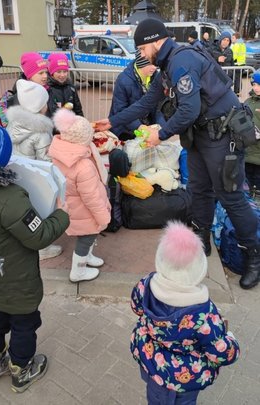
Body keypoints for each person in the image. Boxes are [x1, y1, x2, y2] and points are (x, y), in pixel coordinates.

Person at [95, 18, 260, 290]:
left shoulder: (182, 61)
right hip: (200, 136)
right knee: (199, 189)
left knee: (230, 196)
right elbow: (148, 101)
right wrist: (112, 122)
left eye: (142, 48)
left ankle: (253, 255)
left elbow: (188, 110)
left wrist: (160, 134)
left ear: (155, 42)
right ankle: (201, 239)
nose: (141, 55)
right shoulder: (167, 65)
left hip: (223, 136)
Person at [0, 115, 69, 393]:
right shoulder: (10, 199)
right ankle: (22, 369)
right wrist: (61, 216)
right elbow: (39, 236)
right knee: (24, 324)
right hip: (17, 280)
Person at [130, 221, 240, 405]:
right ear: (198, 270)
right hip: (184, 377)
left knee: (155, 397)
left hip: (152, 362)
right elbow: (219, 352)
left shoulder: (145, 286)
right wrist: (232, 344)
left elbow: (136, 308)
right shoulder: (205, 314)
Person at [49, 109, 111, 282]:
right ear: (83, 139)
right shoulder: (83, 166)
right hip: (85, 211)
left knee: (87, 235)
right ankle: (78, 270)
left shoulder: (61, 153)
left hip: (72, 206)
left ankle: (87, 257)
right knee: (87, 237)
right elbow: (91, 197)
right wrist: (103, 217)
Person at [7, 79, 63, 261]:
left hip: (18, 174)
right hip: (36, 177)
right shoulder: (41, 132)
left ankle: (23, 240)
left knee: (25, 211)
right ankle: (42, 247)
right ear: (40, 106)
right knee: (41, 211)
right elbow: (47, 160)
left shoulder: (14, 124)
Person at [109, 49, 159, 140]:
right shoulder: (123, 80)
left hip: (146, 130)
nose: (154, 67)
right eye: (150, 64)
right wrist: (140, 127)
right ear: (141, 63)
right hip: (124, 131)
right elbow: (120, 110)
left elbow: (159, 107)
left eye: (155, 64)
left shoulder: (156, 77)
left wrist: (160, 127)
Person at [47, 53, 83, 117]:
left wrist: (81, 122)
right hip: (54, 125)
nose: (62, 75)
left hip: (71, 124)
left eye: (65, 71)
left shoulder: (71, 88)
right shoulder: (48, 89)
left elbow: (78, 109)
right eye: (59, 72)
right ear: (52, 73)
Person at [244, 70, 260, 193]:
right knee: (247, 181)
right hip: (247, 151)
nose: (256, 88)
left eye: (259, 85)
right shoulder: (248, 102)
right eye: (254, 85)